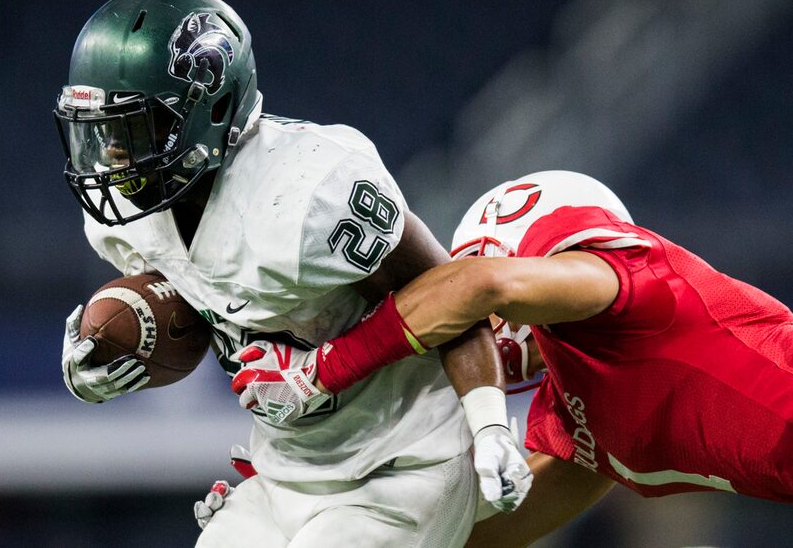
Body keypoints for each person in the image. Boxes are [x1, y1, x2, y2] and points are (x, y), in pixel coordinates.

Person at [54, 0, 530, 548]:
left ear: (211, 108)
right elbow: (212, 296)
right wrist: (112, 351)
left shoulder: (311, 194)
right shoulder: (126, 218)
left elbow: (457, 293)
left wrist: (490, 425)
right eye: (102, 130)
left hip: (400, 460)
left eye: (135, 129)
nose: (112, 153)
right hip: (284, 469)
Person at [232, 169, 793, 546]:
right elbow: (478, 536)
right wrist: (301, 502)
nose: (473, 334)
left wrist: (322, 372)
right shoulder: (580, 412)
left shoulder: (631, 283)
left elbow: (478, 288)